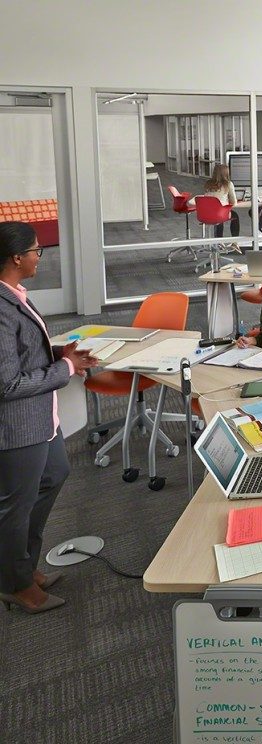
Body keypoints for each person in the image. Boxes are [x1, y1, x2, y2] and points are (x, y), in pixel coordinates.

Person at [0, 222, 98, 614]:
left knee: (55, 474)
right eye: (37, 251)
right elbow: (7, 384)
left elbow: (22, 354)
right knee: (15, 508)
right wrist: (67, 369)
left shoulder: (15, 294)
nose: (40, 257)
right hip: (17, 426)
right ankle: (15, 584)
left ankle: (22, 566)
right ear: (16, 258)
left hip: (41, 418)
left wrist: (60, 354)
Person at [203, 163, 240, 239]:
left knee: (218, 215)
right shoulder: (228, 184)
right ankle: (235, 241)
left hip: (206, 214)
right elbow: (234, 203)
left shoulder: (207, 184)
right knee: (234, 216)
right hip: (219, 214)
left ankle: (219, 240)